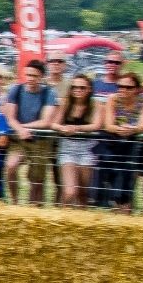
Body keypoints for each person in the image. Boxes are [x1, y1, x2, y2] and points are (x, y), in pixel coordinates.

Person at [2, 60, 59, 207]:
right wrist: (20, 130)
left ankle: (35, 207)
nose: (30, 78)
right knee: (10, 166)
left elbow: (46, 121)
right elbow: (10, 116)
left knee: (37, 178)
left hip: (40, 141)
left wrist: (23, 128)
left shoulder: (49, 93)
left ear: (41, 77)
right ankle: (14, 202)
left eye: (34, 75)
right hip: (19, 139)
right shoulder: (16, 89)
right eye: (28, 75)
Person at [50, 73, 100, 208]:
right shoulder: (66, 103)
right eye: (74, 87)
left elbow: (96, 125)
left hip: (87, 149)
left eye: (82, 88)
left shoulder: (95, 104)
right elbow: (54, 124)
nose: (78, 90)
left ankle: (81, 222)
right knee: (70, 191)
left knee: (83, 193)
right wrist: (63, 128)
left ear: (89, 89)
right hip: (67, 148)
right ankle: (62, 219)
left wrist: (76, 128)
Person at [98, 73, 143, 213]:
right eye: (120, 86)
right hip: (114, 145)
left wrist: (133, 129)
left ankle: (125, 208)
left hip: (133, 146)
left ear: (137, 89)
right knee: (113, 175)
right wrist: (121, 130)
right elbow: (108, 124)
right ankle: (115, 205)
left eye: (128, 87)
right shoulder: (113, 99)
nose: (123, 90)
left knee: (129, 178)